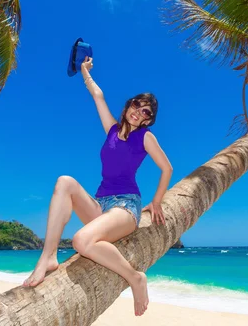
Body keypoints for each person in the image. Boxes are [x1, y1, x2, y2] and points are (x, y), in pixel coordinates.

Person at [23, 56, 173, 317]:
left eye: (146, 111)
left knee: (81, 239)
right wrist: (84, 70)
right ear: (129, 106)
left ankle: (135, 277)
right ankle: (47, 256)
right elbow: (98, 95)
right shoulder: (112, 130)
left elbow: (167, 168)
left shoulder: (145, 137)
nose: (140, 111)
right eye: (137, 105)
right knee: (64, 181)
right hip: (101, 204)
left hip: (125, 207)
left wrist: (157, 201)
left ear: (148, 120)